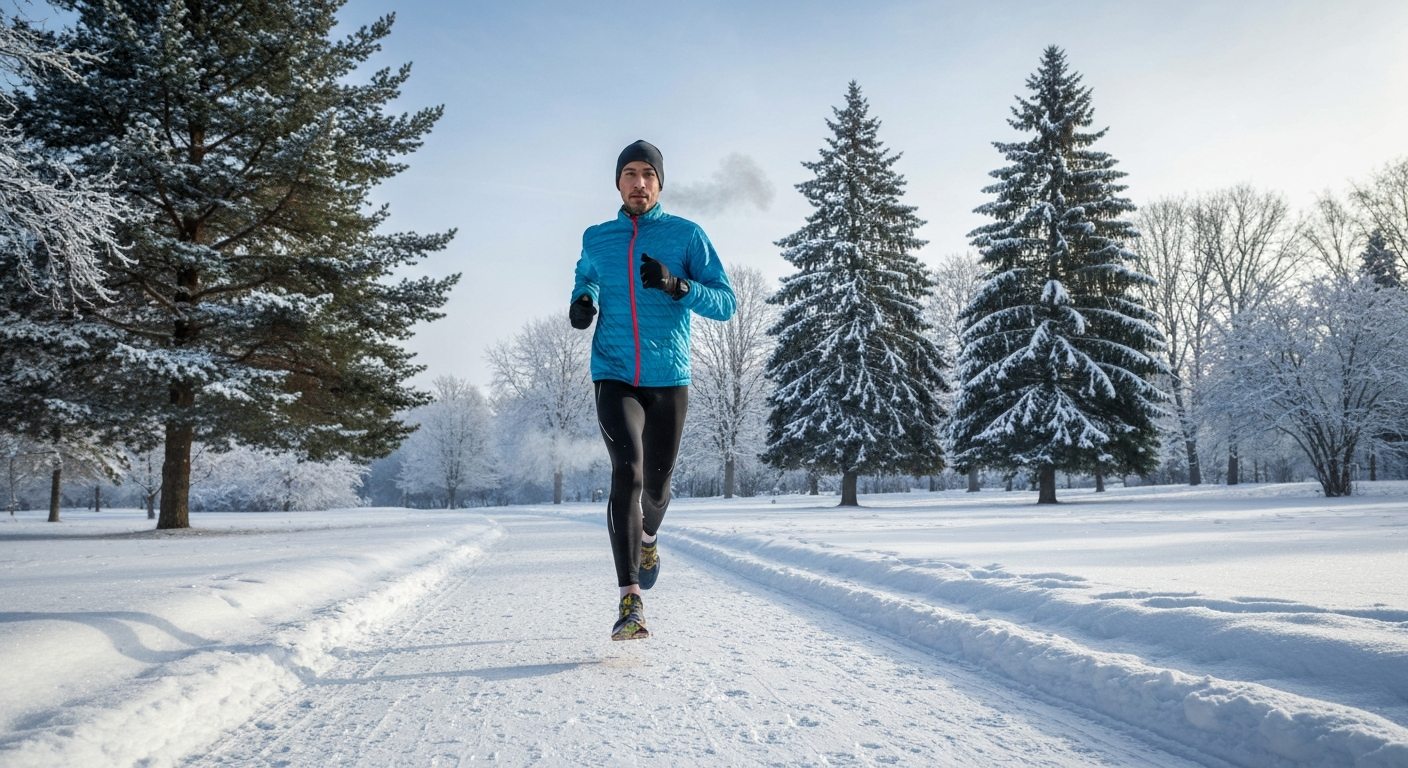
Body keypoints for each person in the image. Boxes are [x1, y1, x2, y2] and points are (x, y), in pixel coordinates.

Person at [569, 140, 736, 641]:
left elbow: (726, 302)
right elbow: (588, 275)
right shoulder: (597, 237)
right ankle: (630, 600)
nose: (638, 182)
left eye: (648, 174)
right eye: (629, 174)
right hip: (614, 373)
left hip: (669, 379)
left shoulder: (687, 236)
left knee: (658, 489)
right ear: (617, 183)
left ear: (659, 183)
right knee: (629, 471)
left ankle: (648, 537)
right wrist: (583, 299)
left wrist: (676, 285)